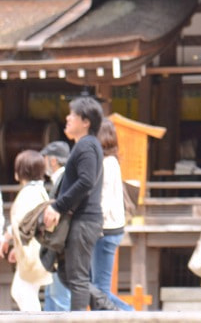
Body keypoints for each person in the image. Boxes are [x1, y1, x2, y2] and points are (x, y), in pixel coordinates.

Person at [42, 96, 116, 311]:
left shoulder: (86, 146)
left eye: (72, 115)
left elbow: (86, 181)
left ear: (86, 121)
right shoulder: (85, 145)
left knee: (77, 278)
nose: (67, 118)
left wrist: (58, 206)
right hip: (82, 219)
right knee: (68, 274)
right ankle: (107, 310)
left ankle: (89, 316)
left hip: (85, 219)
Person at [1, 150, 53, 311]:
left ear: (20, 171)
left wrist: (6, 239)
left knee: (23, 293)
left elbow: (22, 224)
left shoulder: (28, 193)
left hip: (33, 252)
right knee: (22, 291)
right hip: (36, 250)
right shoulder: (38, 190)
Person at [91, 119, 133, 311]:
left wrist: (93, 227)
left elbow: (104, 200)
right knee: (97, 287)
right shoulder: (110, 162)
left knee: (99, 288)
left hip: (105, 230)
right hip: (108, 228)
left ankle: (131, 315)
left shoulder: (107, 164)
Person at [40, 140, 72, 311]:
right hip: (57, 243)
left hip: (61, 244)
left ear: (53, 160)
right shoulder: (61, 179)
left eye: (44, 158)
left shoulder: (64, 180)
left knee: (60, 298)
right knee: (53, 296)